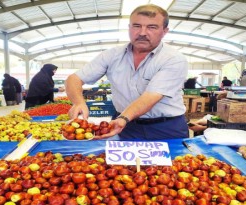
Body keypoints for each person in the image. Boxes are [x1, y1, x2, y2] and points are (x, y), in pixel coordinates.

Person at [65, 4, 189, 140]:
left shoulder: (173, 59)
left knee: (173, 161)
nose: (142, 33)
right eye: (136, 26)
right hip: (126, 127)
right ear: (129, 28)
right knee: (122, 162)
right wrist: (78, 102)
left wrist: (124, 117)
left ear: (165, 31)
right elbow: (74, 78)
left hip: (166, 128)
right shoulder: (112, 55)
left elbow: (150, 98)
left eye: (152, 27)